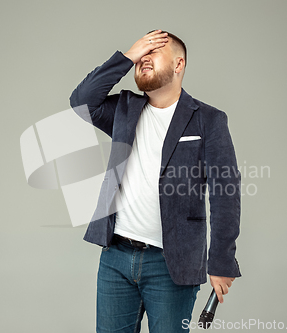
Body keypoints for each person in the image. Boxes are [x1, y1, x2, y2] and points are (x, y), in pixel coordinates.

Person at [70, 30, 241, 333]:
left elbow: (225, 193)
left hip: (171, 265)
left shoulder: (208, 120)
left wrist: (221, 262)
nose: (144, 59)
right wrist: (126, 56)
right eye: (141, 55)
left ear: (179, 64)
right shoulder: (125, 110)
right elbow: (81, 101)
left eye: (153, 52)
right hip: (116, 257)